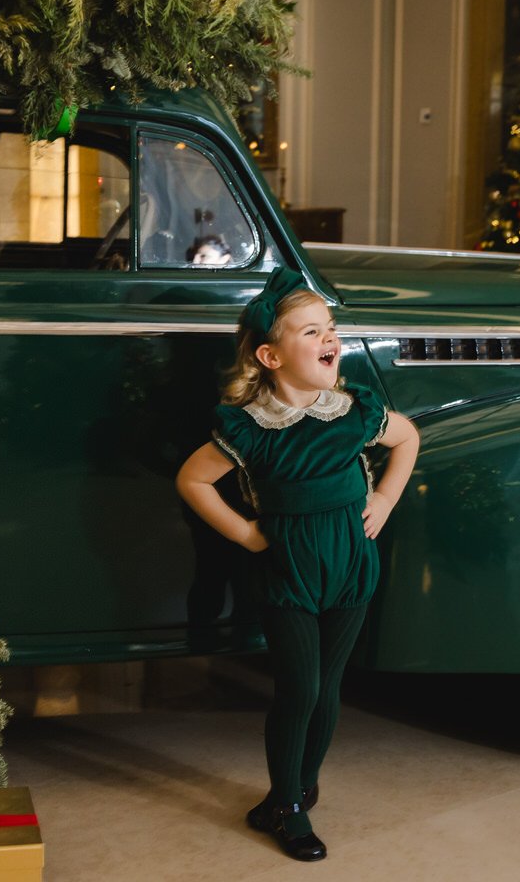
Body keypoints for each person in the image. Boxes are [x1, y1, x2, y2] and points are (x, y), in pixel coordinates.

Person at [175, 266, 420, 862]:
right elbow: (192, 479)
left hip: (351, 566)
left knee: (329, 688)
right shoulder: (254, 428)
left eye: (329, 328)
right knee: (299, 688)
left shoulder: (354, 412)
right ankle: (284, 805)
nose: (328, 339)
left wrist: (384, 500)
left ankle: (297, 790)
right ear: (271, 355)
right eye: (309, 332)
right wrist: (246, 534)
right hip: (288, 572)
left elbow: (408, 438)